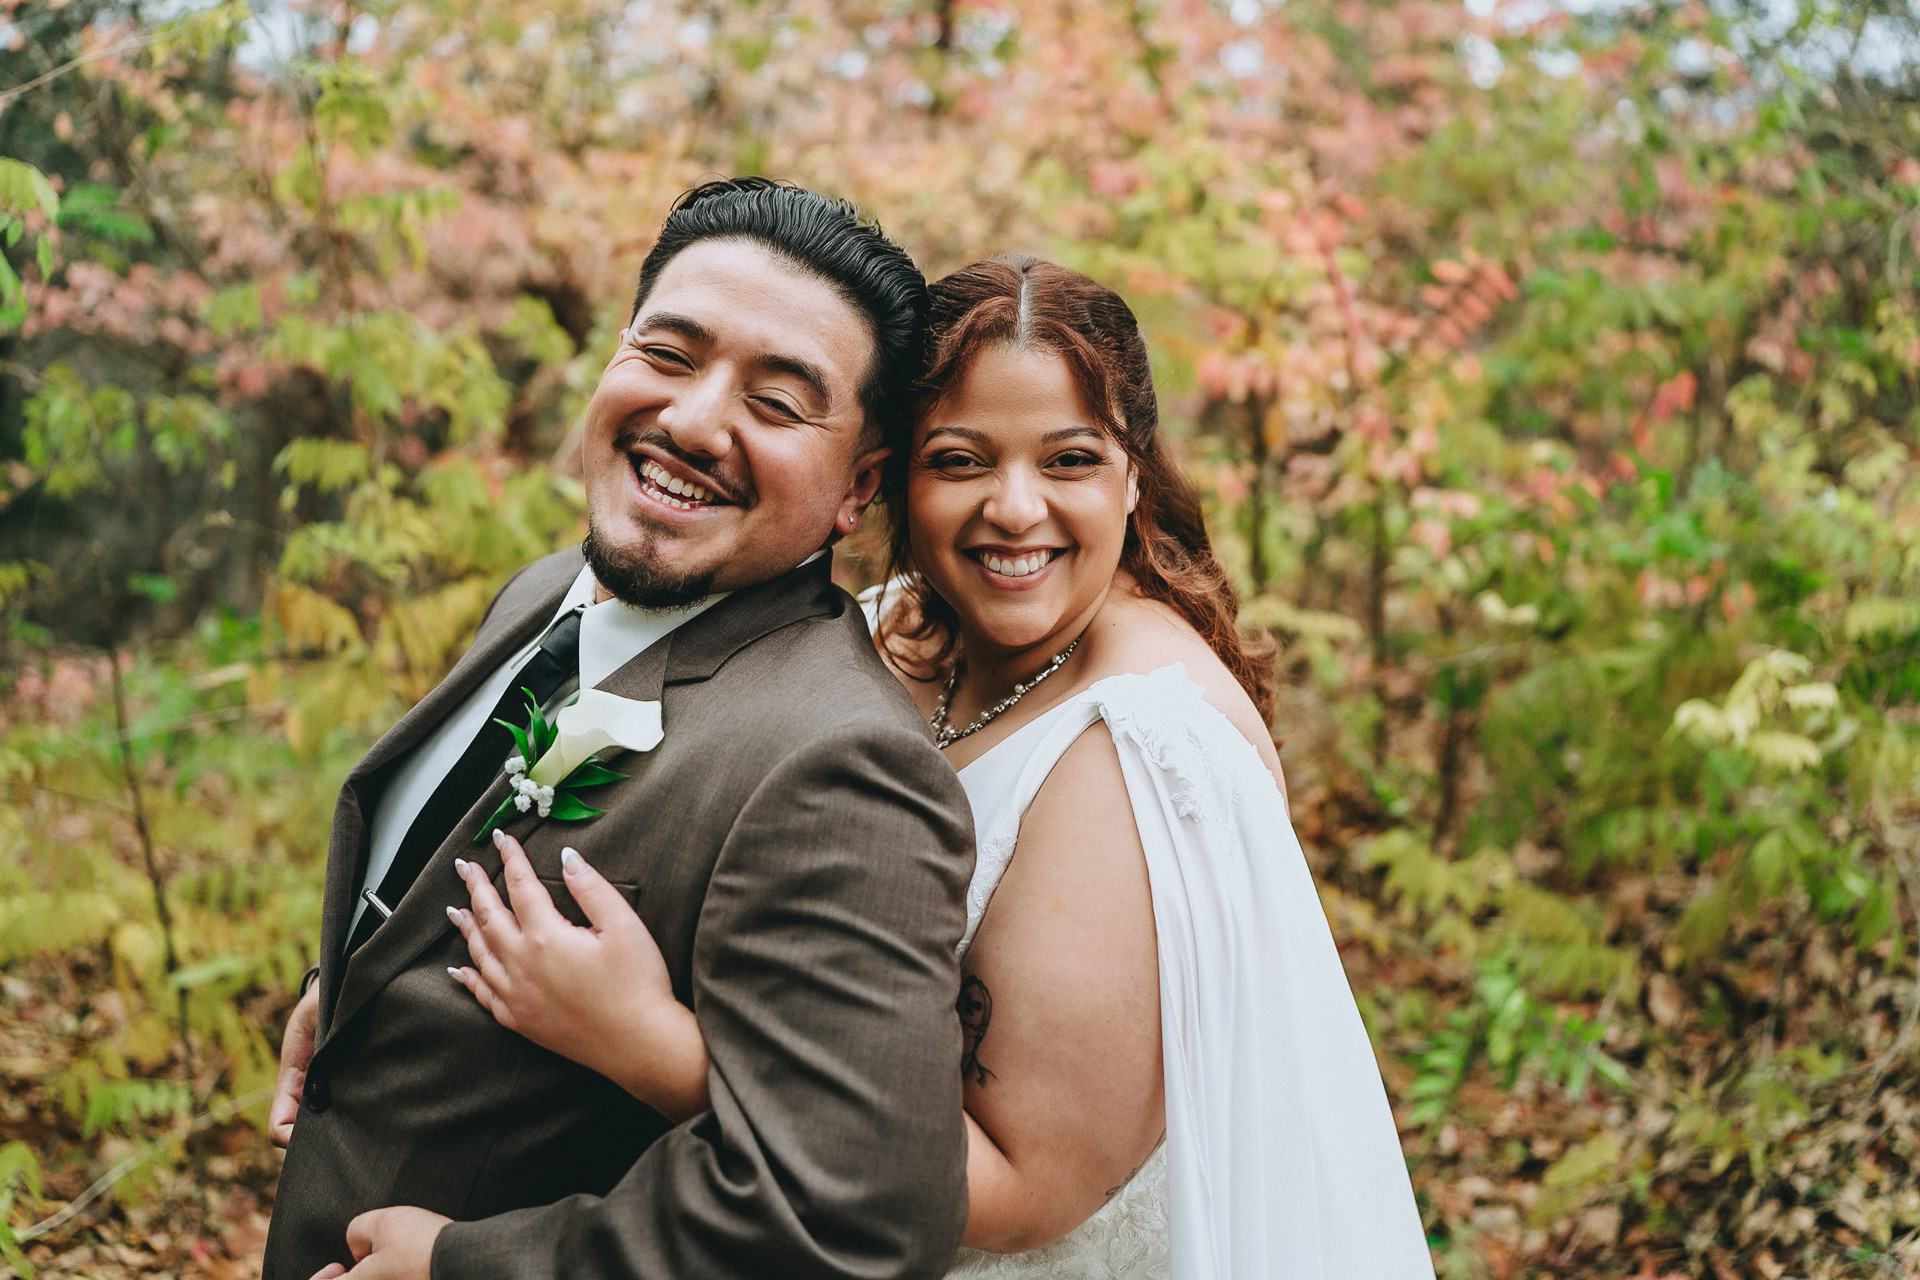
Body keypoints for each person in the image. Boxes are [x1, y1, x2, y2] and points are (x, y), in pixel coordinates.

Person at [448, 256, 1436, 1277]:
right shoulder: (897, 631)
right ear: (888, 479)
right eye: (961, 459)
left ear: (1134, 470)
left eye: (1067, 460)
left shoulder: (1133, 748)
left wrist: (649, 1040)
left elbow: (1025, 1189)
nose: (1014, 508)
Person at [261, 178, 980, 1280]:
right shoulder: (547, 590)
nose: (692, 421)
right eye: (670, 354)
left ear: (859, 486)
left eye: (779, 403)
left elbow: (858, 1224)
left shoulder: (840, 764)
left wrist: (465, 1264)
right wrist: (352, 986)